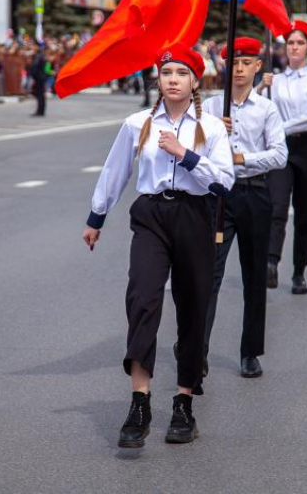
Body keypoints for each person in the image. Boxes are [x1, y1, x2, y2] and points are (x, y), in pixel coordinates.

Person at [82, 45, 234, 448]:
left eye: (181, 73)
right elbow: (115, 171)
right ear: (158, 79)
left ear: (194, 81)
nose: (172, 79)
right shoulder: (138, 123)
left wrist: (185, 156)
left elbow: (224, 182)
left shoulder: (213, 129)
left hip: (195, 217)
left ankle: (184, 403)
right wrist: (97, 218)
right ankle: (139, 402)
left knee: (192, 307)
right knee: (143, 300)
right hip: (150, 216)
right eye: (166, 72)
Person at [200, 37, 287, 380]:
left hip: (253, 194)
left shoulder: (265, 108)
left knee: (253, 276)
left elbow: (279, 155)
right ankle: (198, 348)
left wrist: (242, 158)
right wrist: (211, 136)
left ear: (257, 67)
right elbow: (189, 149)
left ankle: (250, 351)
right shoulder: (209, 107)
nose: (238, 69)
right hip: (218, 196)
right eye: (233, 62)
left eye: (246, 62)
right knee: (209, 275)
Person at [257, 21, 307, 295]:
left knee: (305, 215)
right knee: (276, 207)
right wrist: (261, 88)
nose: (294, 47)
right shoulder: (275, 80)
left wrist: (282, 126)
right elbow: (258, 107)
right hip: (282, 150)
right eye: (290, 43)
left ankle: (299, 271)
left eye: (299, 43)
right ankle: (271, 263)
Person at [30, 43, 49, 116]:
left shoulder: (39, 56)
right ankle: (41, 110)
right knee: (40, 95)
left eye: (34, 46)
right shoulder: (41, 56)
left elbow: (35, 68)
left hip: (39, 78)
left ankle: (40, 111)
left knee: (40, 95)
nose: (33, 48)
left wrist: (33, 76)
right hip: (41, 77)